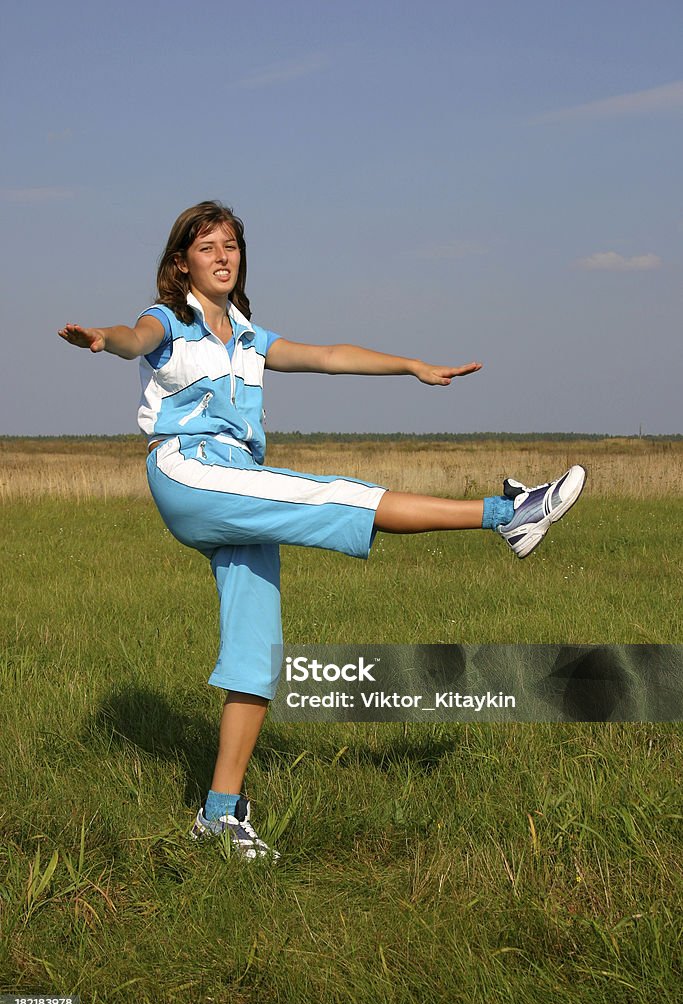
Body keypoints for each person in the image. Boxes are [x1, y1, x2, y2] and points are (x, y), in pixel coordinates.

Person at [58, 199, 586, 860]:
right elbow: (135, 338)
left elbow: (331, 355)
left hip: (237, 487)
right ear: (181, 263)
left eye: (231, 246)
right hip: (190, 472)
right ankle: (508, 514)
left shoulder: (249, 337)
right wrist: (105, 342)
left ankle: (219, 816)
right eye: (207, 247)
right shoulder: (169, 320)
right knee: (333, 495)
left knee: (256, 647)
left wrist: (411, 366)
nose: (223, 257)